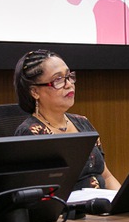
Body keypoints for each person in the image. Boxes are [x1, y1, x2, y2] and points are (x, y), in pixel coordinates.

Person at [13, 49, 121, 190]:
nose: (69, 84)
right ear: (35, 92)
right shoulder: (31, 134)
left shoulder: (82, 122)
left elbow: (107, 176)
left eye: (69, 76)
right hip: (69, 210)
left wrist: (122, 205)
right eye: (58, 80)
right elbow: (40, 194)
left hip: (101, 207)